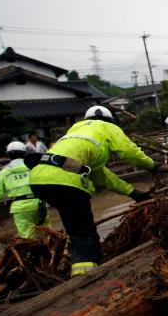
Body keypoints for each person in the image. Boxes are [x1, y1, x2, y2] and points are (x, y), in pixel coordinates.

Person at [28, 106, 158, 277]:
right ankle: (87, 276)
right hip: (65, 179)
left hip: (38, 179)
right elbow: (129, 151)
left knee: (75, 227)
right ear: (110, 119)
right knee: (83, 231)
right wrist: (153, 165)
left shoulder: (76, 132)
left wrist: (132, 192)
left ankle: (78, 263)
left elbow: (102, 176)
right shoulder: (107, 127)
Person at [0, 141, 50, 239]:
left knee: (29, 238)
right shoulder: (33, 166)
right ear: (25, 153)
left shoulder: (3, 172)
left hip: (20, 208)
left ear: (8, 155)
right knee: (48, 234)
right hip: (40, 204)